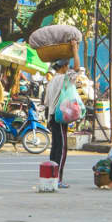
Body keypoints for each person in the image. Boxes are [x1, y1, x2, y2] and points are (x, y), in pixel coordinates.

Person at [44, 40, 80, 189]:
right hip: (59, 117)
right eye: (67, 65)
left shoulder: (51, 82)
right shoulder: (63, 79)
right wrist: (74, 49)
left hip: (52, 116)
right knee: (62, 149)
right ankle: (58, 178)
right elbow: (77, 68)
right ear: (64, 66)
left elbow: (46, 102)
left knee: (55, 148)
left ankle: (52, 176)